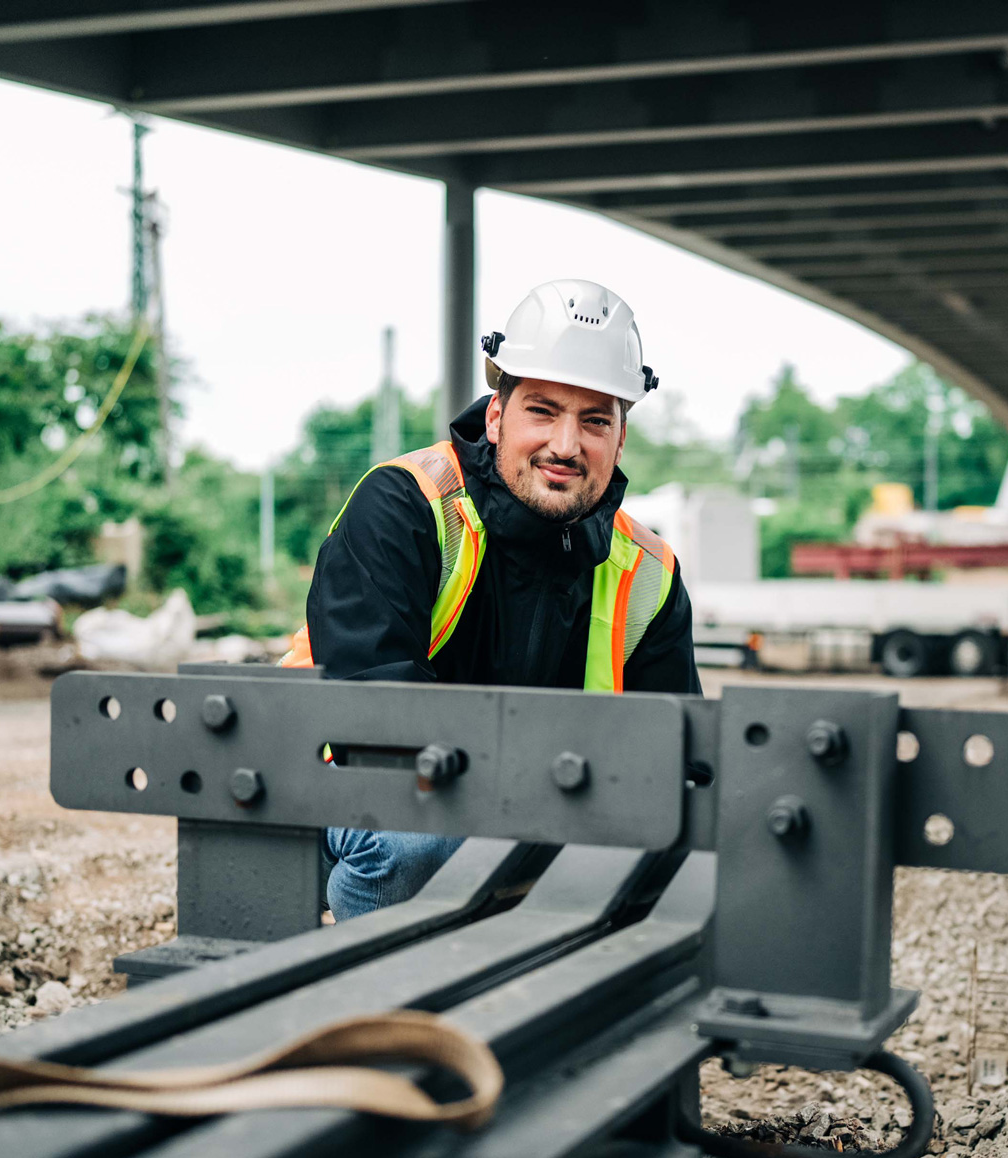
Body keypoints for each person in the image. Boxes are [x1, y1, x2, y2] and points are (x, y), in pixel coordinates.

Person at [280, 280, 701, 918]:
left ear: (620, 439)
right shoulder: (408, 505)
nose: (565, 444)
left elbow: (670, 762)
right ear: (497, 415)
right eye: (543, 410)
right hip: (327, 778)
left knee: (680, 846)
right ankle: (378, 1001)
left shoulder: (648, 573)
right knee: (414, 838)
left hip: (526, 800)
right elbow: (375, 725)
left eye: (594, 420)